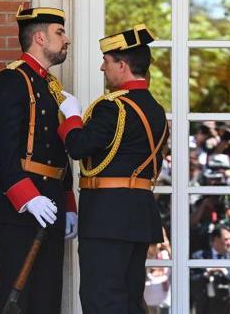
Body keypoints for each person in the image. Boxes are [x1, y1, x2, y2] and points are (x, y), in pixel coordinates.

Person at [56, 24, 168, 313]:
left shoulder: (113, 107)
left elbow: (79, 147)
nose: (102, 68)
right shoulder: (155, 108)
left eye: (106, 62)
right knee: (130, 300)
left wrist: (71, 117)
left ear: (122, 64)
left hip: (107, 216)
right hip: (138, 214)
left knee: (102, 299)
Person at [0, 5, 78, 314]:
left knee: (48, 297)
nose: (67, 39)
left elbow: (57, 150)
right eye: (59, 33)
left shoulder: (50, 86)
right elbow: (4, 149)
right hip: (19, 204)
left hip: (51, 200)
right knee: (17, 296)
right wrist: (28, 197)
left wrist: (68, 202)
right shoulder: (11, 80)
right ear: (39, 38)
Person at [190, 225, 230, 314]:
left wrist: (225, 272)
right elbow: (190, 280)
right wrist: (206, 274)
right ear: (215, 239)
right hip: (205, 307)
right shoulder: (199, 257)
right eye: (226, 239)